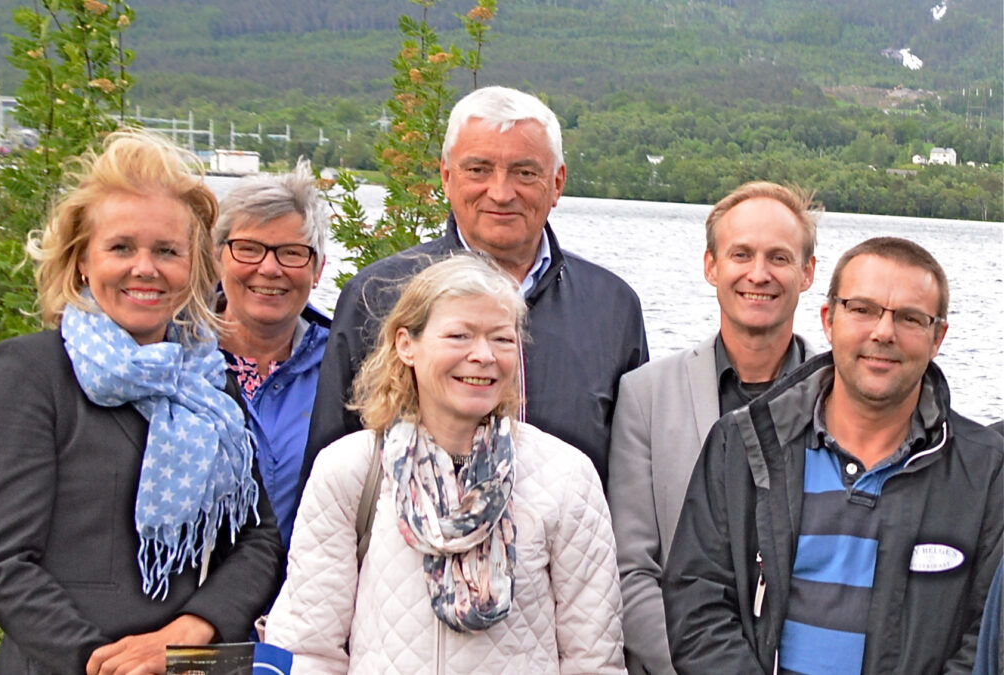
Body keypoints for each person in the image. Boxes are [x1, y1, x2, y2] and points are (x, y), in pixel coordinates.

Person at [0, 130, 284, 675]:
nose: (146, 268)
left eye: (166, 251)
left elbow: (258, 539)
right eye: (120, 248)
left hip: (183, 665)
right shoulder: (30, 374)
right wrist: (102, 662)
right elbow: (0, 562)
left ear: (193, 268)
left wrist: (190, 632)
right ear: (82, 261)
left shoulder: (207, 385)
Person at [266, 255, 627, 673]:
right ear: (407, 344)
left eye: (501, 339)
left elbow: (593, 659)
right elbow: (309, 649)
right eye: (459, 335)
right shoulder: (351, 470)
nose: (483, 356)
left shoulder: (565, 476)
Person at [662, 237, 1003, 674]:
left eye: (910, 318)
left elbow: (987, 640)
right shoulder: (744, 444)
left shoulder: (988, 470)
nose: (883, 332)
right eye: (862, 309)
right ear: (828, 319)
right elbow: (697, 602)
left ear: (938, 337)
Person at [303, 85, 647, 489]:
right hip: (406, 548)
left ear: (557, 183)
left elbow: (633, 482)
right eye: (479, 169)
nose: (501, 193)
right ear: (447, 178)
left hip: (569, 549)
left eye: (525, 172)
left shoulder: (612, 306)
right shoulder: (378, 295)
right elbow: (329, 473)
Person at [608, 181, 818, 674]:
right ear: (711, 266)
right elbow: (631, 570)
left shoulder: (843, 400)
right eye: (741, 254)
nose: (758, 274)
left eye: (780, 258)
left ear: (808, 273)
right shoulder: (647, 395)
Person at [212, 159, 331, 551]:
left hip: (309, 602)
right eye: (248, 249)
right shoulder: (169, 360)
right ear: (217, 258)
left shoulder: (348, 370)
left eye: (292, 253)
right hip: (186, 605)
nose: (269, 268)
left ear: (317, 269)